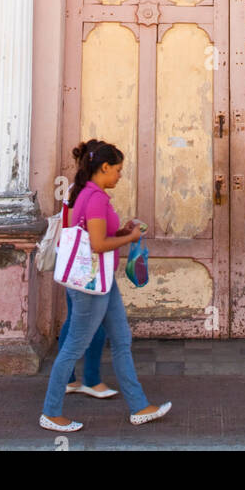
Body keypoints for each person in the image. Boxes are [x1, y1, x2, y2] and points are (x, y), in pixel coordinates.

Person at [40, 139, 172, 432]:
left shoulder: (83, 192)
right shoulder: (97, 198)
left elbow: (91, 233)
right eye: (118, 170)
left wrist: (123, 230)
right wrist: (131, 237)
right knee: (74, 346)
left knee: (122, 340)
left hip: (100, 281)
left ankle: (139, 406)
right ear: (104, 167)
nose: (120, 176)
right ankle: (50, 411)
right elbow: (98, 244)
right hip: (91, 285)